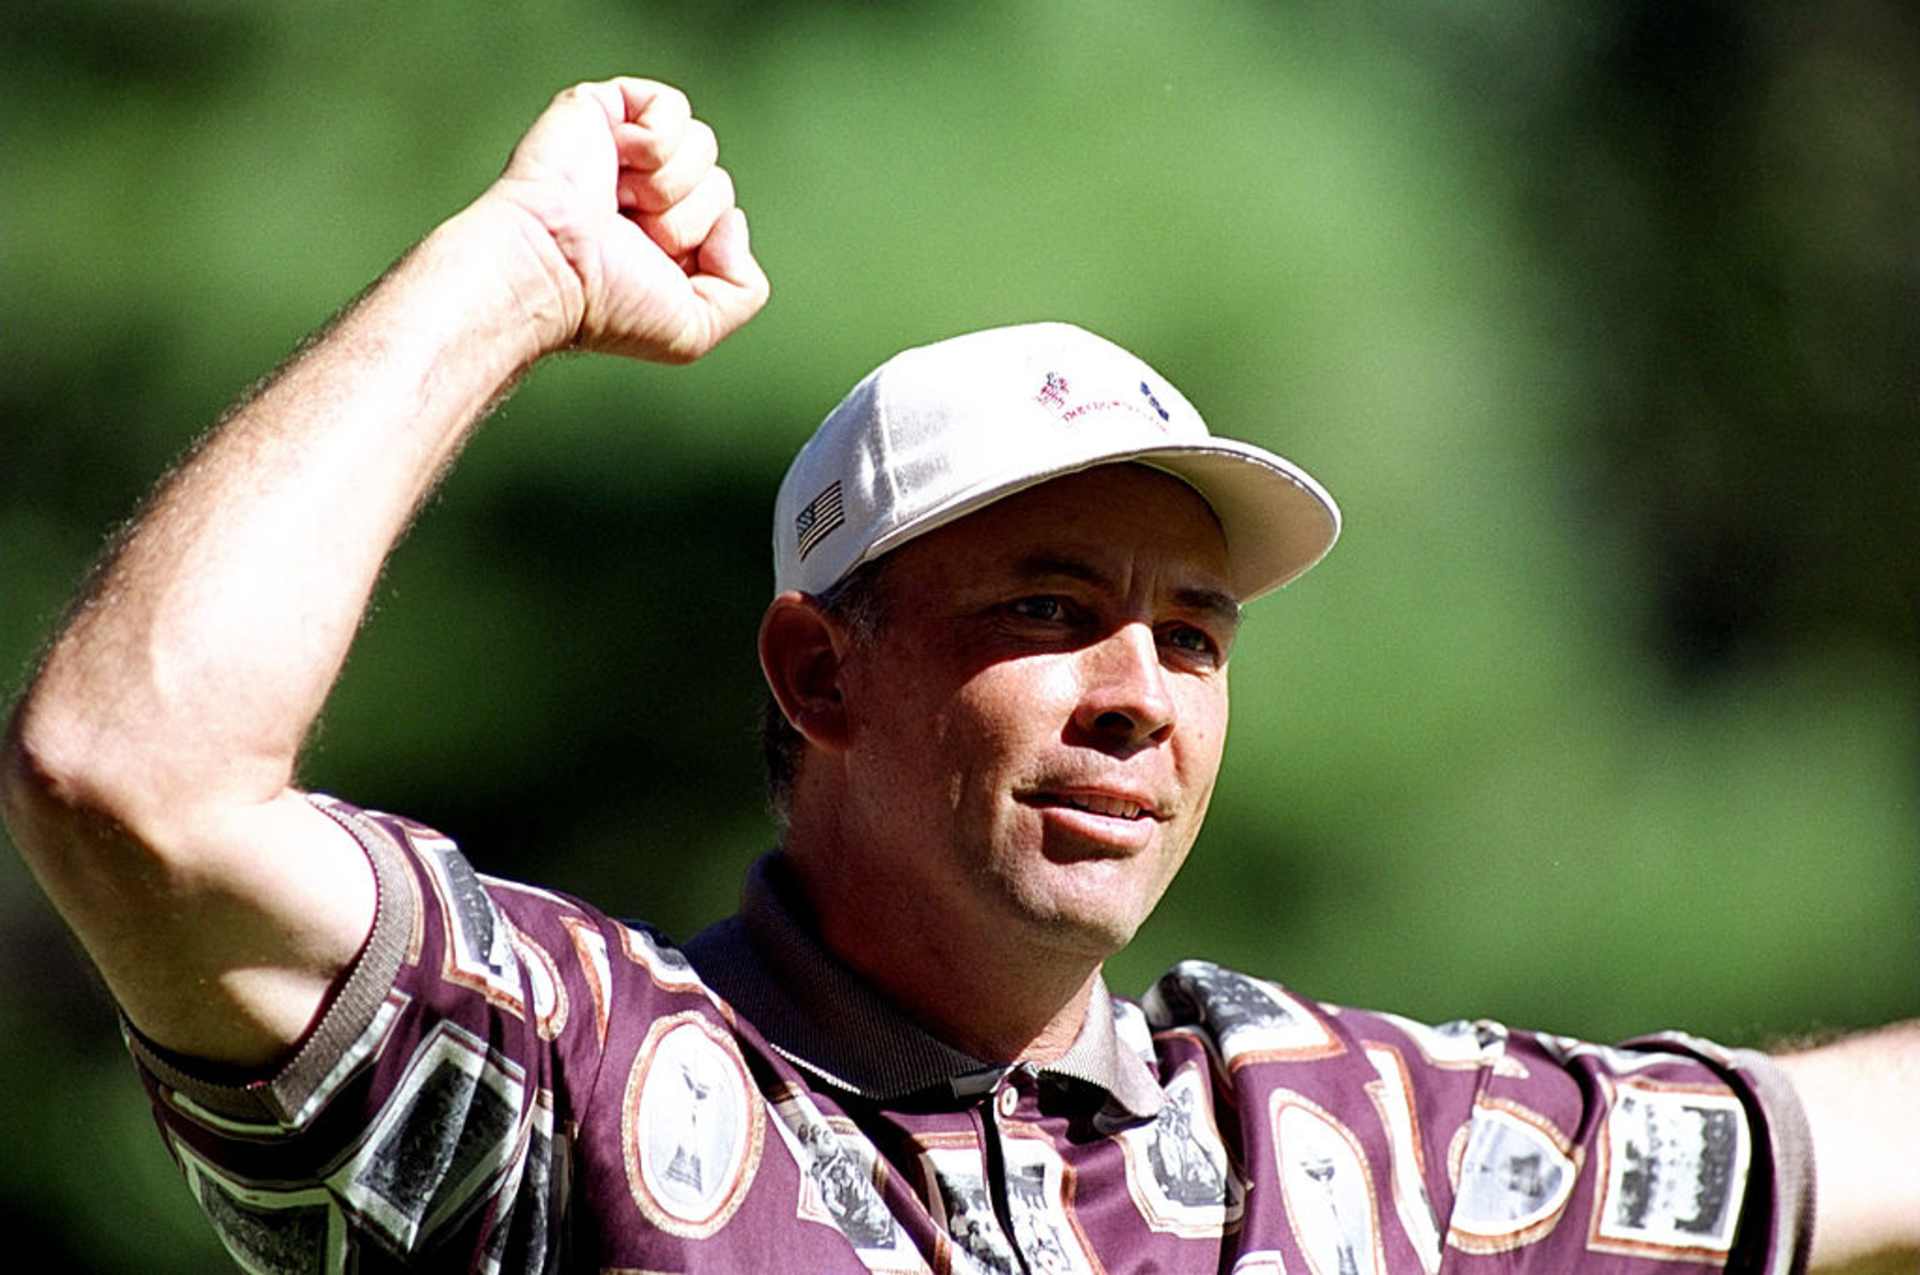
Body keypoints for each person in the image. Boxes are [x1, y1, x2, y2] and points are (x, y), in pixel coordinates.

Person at [1, 76, 1914, 1275]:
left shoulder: (1348, 1153)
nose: (1138, 692)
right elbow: (129, 775)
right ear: (818, 677)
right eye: (1048, 607)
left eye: (1193, 633)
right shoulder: (569, 1084)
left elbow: (1857, 1150)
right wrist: (515, 272)